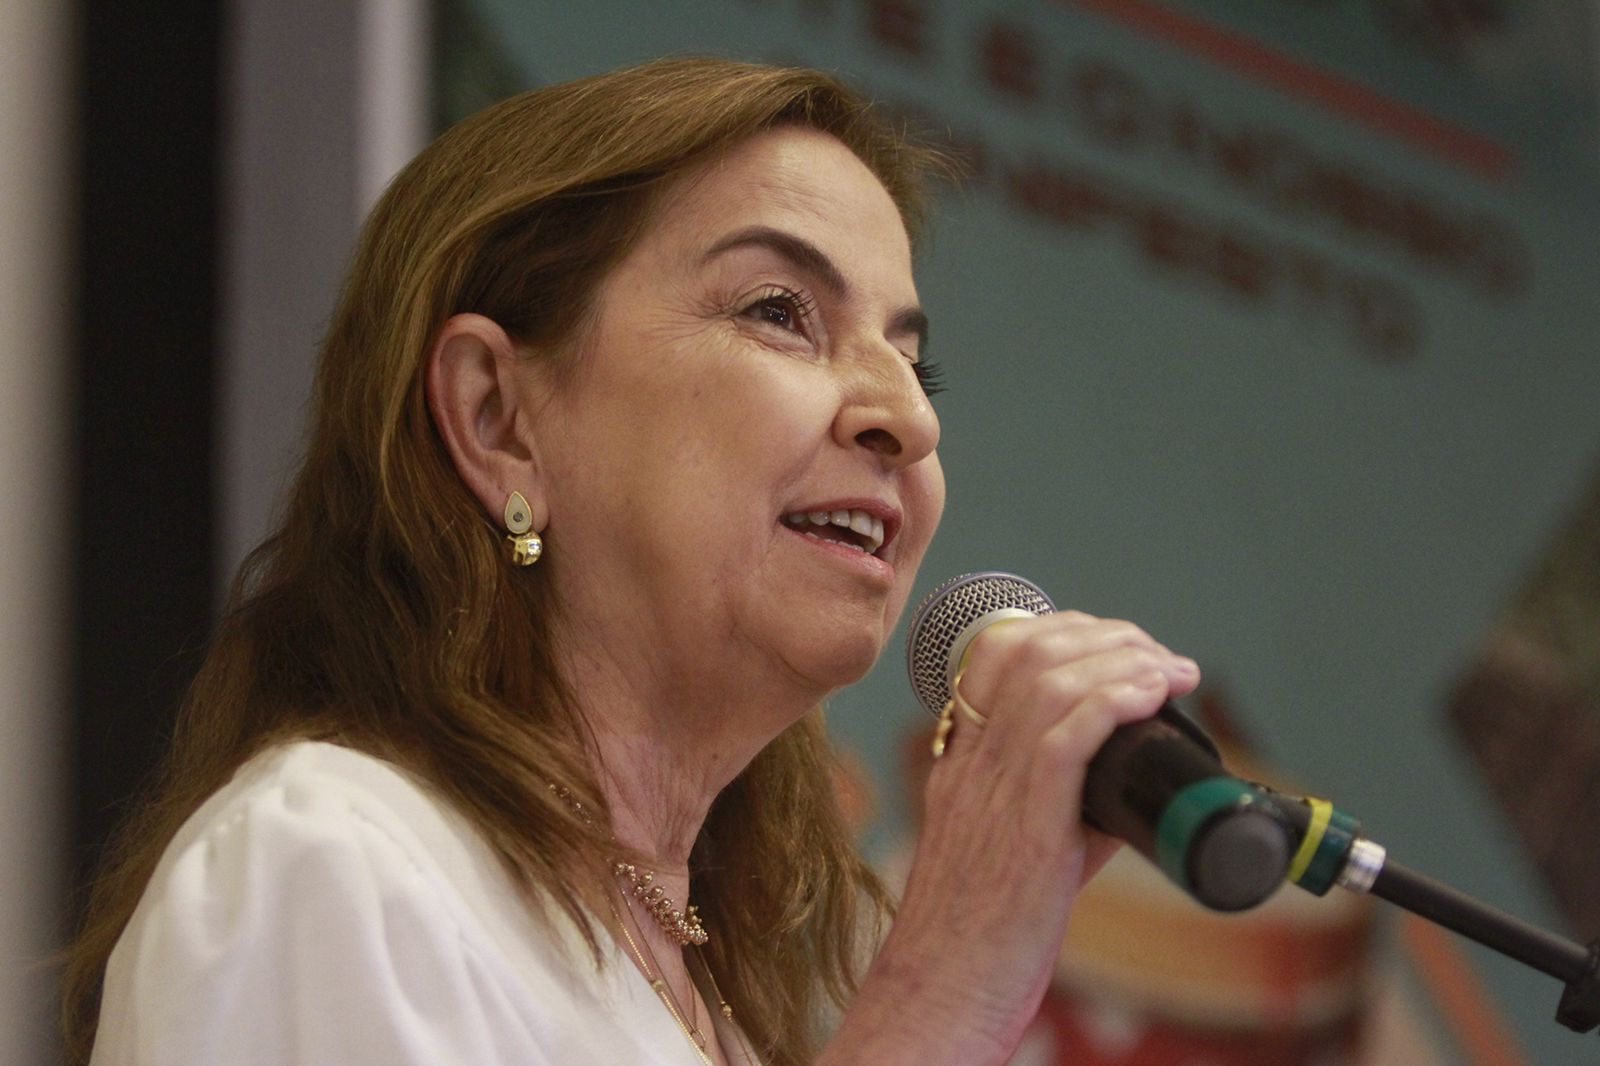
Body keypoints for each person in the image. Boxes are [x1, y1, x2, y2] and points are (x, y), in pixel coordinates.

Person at [63, 57, 1201, 1065]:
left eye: (916, 365)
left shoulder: (710, 1007)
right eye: (778, 311)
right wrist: (937, 1001)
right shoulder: (325, 870)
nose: (908, 418)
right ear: (499, 417)